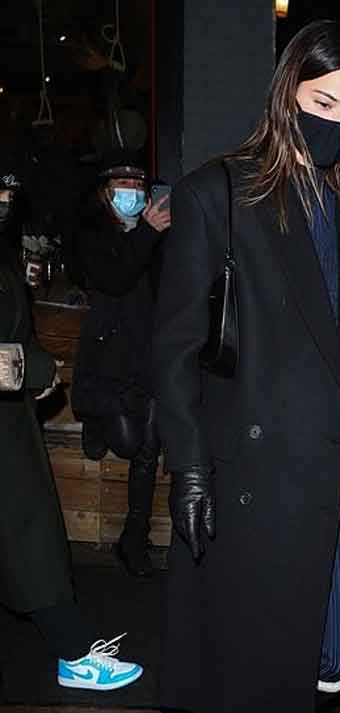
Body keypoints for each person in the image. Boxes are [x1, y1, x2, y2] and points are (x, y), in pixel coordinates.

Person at [154, 21, 340, 713]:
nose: (339, 126)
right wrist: (188, 464)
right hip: (258, 457)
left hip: (337, 452)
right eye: (323, 103)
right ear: (287, 94)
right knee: (275, 633)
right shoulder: (218, 194)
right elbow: (174, 347)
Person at [0, 151, 143, 691]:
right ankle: (75, 653)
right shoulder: (92, 231)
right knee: (28, 541)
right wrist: (30, 366)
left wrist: (34, 366)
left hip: (13, 422)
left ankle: (73, 647)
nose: (6, 201)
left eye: (9, 192)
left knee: (27, 539)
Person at [71, 149, 170, 577]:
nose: (132, 190)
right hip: (110, 356)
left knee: (148, 446)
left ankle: (134, 537)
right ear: (104, 191)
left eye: (138, 184)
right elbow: (114, 278)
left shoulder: (159, 231)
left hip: (150, 353)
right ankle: (95, 419)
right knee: (129, 442)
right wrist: (146, 233)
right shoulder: (92, 230)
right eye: (122, 184)